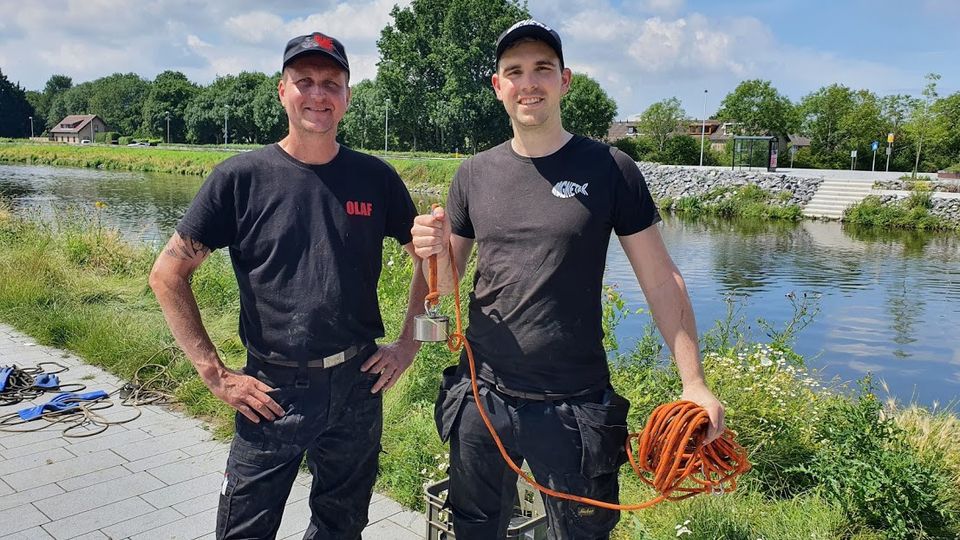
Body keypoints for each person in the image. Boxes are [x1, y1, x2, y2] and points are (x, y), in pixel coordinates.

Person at [411, 19, 726, 540]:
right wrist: (430, 253)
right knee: (471, 528)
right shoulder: (474, 173)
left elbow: (661, 278)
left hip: (574, 405)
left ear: (565, 80)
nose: (528, 82)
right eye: (514, 71)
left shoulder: (610, 167)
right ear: (497, 86)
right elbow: (447, 279)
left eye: (542, 69)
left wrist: (693, 382)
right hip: (482, 395)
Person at [149, 31, 425, 540]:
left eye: (331, 83)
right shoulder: (240, 179)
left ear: (346, 94)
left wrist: (411, 343)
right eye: (304, 82)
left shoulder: (376, 178)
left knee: (343, 526)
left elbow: (432, 265)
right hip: (270, 390)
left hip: (357, 383)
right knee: (244, 530)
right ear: (282, 91)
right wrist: (215, 374)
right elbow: (167, 275)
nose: (317, 94)